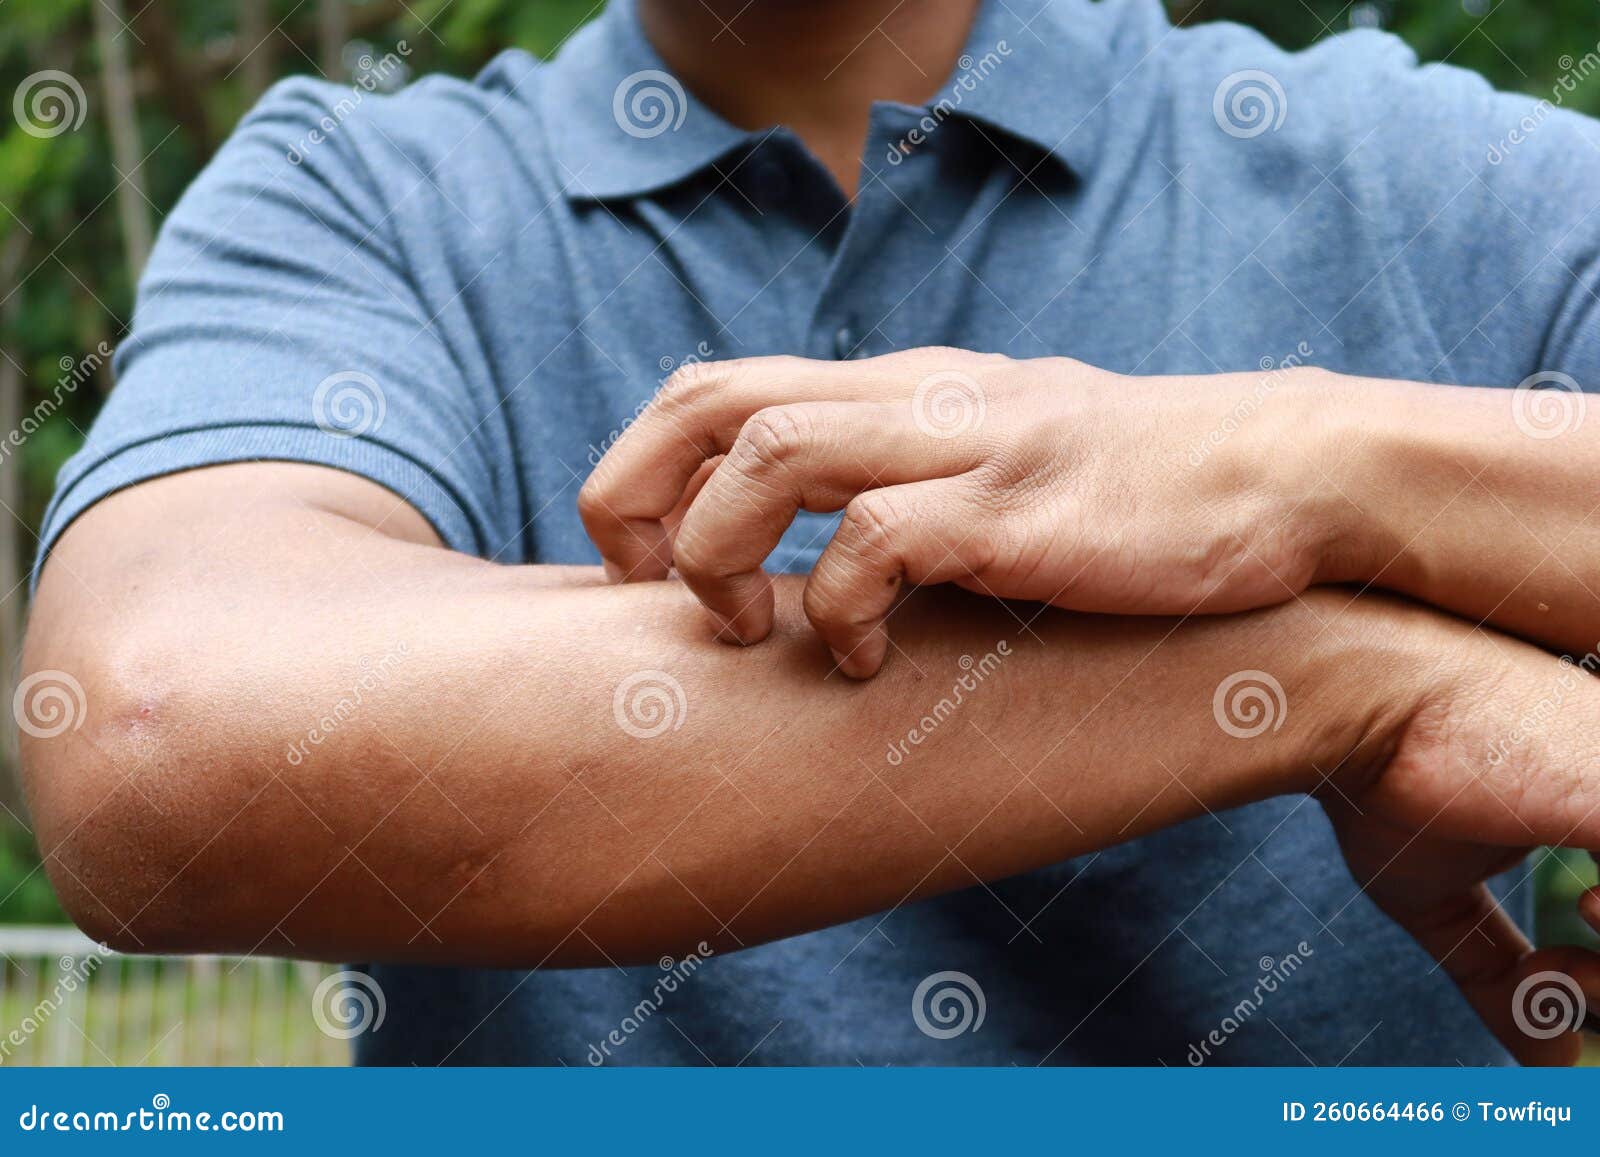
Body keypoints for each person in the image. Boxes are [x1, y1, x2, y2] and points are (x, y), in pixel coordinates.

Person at [19, 0, 1600, 1066]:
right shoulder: (360, 194)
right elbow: (153, 733)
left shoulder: (1447, 180)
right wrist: (1341, 669)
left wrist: (1303, 463)